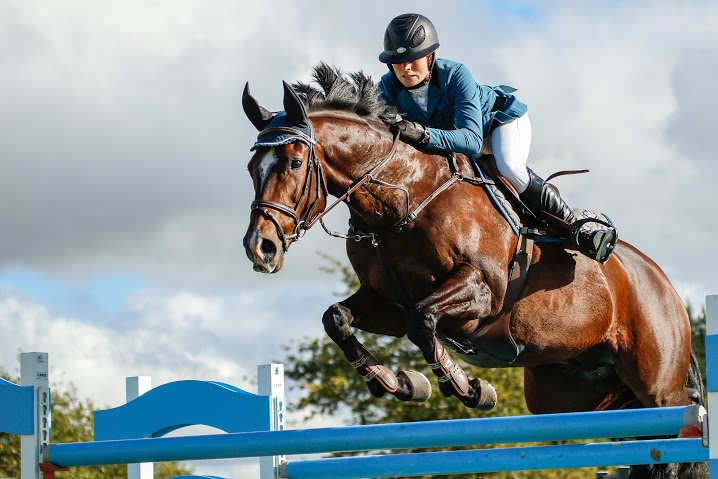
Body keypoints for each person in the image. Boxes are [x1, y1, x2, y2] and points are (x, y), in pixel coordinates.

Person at [377, 13, 617, 263]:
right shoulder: (386, 89)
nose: (405, 68)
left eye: (412, 60)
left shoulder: (456, 74)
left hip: (499, 123)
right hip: (456, 140)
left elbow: (471, 141)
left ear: (429, 56)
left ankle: (576, 226)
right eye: (398, 61)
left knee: (509, 168)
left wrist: (423, 133)